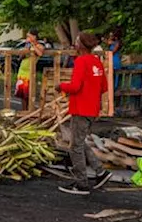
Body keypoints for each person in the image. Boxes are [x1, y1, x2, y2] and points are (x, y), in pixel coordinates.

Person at [55, 33, 111, 195]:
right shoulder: (97, 62)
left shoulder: (81, 61)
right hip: (92, 108)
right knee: (79, 141)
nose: (75, 43)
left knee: (75, 147)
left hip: (81, 108)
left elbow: (75, 86)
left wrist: (61, 86)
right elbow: (104, 87)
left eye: (77, 41)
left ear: (81, 45)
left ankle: (82, 183)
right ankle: (100, 172)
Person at [14, 30, 45, 108]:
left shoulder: (39, 45)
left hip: (30, 72)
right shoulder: (27, 46)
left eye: (29, 36)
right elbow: (20, 58)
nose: (27, 38)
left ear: (34, 37)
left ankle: (29, 109)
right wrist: (24, 51)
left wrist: (32, 44)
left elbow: (40, 53)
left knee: (28, 93)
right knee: (22, 94)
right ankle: (24, 110)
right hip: (22, 70)